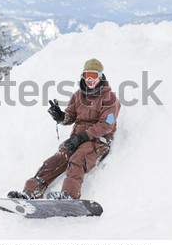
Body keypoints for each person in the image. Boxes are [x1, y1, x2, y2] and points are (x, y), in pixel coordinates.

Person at [8, 58, 121, 200]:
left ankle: (69, 195)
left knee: (78, 159)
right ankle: (31, 192)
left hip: (98, 141)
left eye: (94, 76)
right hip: (77, 139)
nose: (90, 80)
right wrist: (61, 116)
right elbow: (71, 116)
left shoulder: (110, 99)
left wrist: (82, 137)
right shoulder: (78, 95)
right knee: (55, 159)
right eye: (87, 76)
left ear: (100, 76)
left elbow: (106, 125)